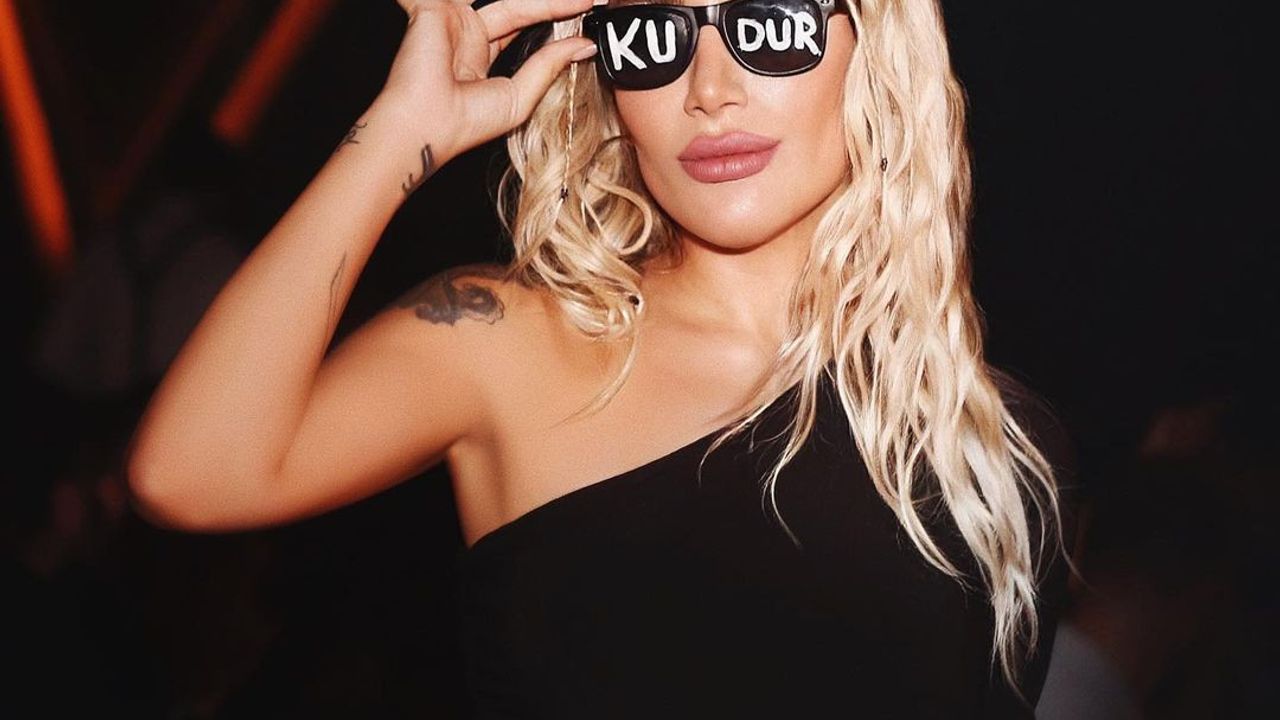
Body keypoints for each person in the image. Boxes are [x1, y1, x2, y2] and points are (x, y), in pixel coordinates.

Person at [125, 0, 1083, 716]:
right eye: (653, 36)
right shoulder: (504, 343)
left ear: (875, 44)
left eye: (770, 21)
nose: (709, 89)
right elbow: (191, 473)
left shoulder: (992, 453)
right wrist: (401, 135)